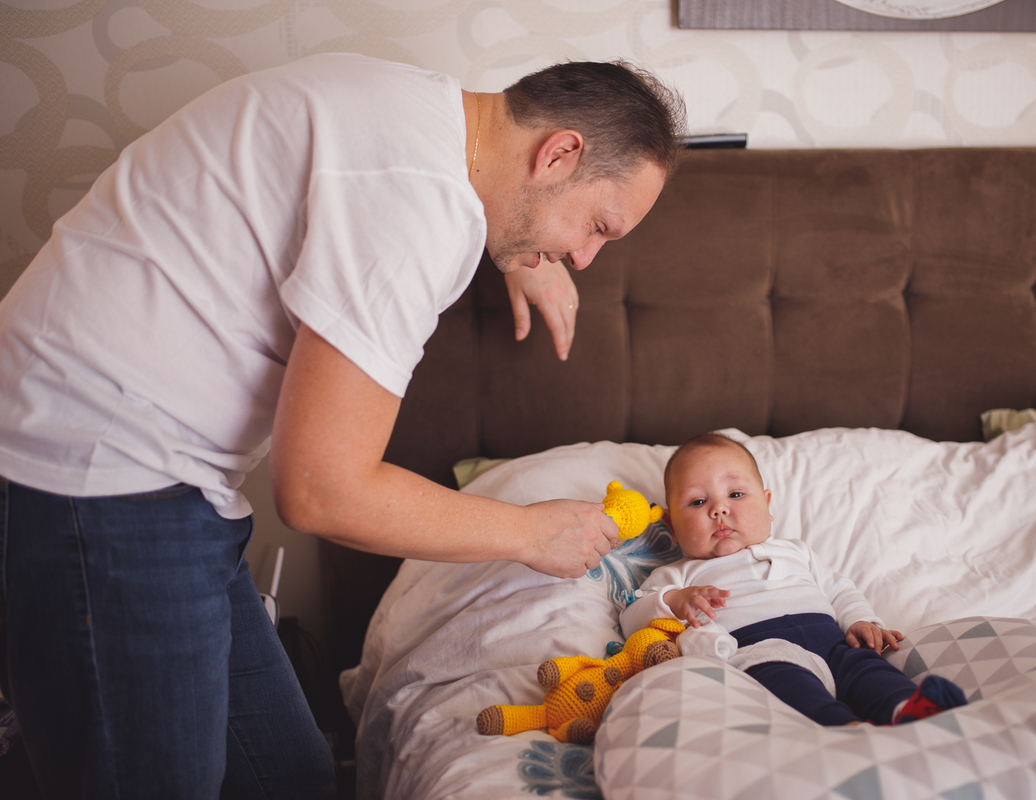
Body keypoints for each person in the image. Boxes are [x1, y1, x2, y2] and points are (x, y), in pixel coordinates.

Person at [0, 53, 686, 798]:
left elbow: (365, 200)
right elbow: (322, 493)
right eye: (596, 227)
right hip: (96, 478)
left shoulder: (419, 110)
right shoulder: (417, 209)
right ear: (558, 154)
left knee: (288, 777)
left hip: (143, 466)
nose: (583, 257)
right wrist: (531, 534)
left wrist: (524, 245)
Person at [619, 433, 967, 727]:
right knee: (787, 687)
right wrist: (674, 600)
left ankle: (907, 710)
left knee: (869, 669)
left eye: (736, 494)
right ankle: (841, 729)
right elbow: (632, 617)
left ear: (768, 504)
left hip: (834, 644)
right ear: (671, 528)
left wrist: (860, 620)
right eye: (697, 501)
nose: (719, 509)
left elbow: (839, 589)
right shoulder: (678, 575)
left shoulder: (796, 551)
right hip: (760, 652)